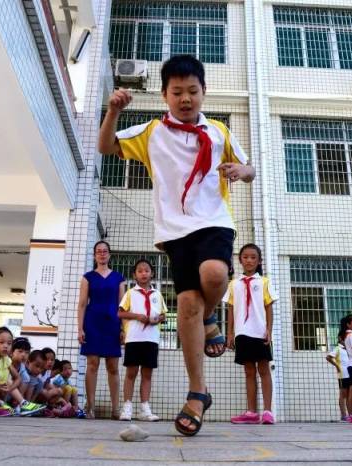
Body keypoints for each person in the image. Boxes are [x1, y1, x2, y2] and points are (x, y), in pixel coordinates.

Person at [98, 54, 255, 436]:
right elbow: (106, 147)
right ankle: (198, 393)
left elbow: (249, 169)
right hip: (174, 231)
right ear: (165, 95)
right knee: (186, 303)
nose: (186, 98)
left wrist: (240, 171)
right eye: (177, 92)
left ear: (204, 92)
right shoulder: (152, 132)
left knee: (215, 273)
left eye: (193, 91)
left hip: (214, 221)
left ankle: (211, 314)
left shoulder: (218, 131)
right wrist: (112, 112)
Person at [224, 244, 278, 425]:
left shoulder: (264, 282)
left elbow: (268, 306)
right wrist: (230, 333)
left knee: (263, 369)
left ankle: (268, 411)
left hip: (260, 331)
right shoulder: (233, 284)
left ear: (259, 261)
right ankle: (252, 412)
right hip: (242, 332)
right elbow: (230, 309)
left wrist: (269, 329)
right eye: (245, 257)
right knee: (248, 371)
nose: (249, 260)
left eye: (253, 257)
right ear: (240, 260)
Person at [76, 240, 126, 419]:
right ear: (95, 255)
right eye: (99, 251)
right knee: (92, 364)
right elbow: (82, 304)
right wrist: (80, 328)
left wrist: (123, 329)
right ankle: (90, 407)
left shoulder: (119, 278)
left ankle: (115, 409)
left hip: (113, 323)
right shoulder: (87, 277)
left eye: (105, 251)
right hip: (93, 323)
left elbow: (123, 306)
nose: (102, 254)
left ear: (109, 254)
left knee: (113, 366)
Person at [118, 259, 166, 422]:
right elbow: (120, 313)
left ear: (152, 273)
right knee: (131, 373)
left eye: (146, 270)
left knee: (147, 374)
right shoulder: (130, 293)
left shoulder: (157, 294)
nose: (143, 273)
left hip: (151, 339)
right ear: (135, 275)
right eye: (140, 271)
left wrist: (157, 319)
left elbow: (163, 315)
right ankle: (127, 407)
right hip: (134, 338)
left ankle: (145, 409)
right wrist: (137, 316)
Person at [326, 332, 350, 422]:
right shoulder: (338, 349)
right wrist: (337, 366)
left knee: (349, 395)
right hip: (343, 375)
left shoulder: (349, 349)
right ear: (340, 338)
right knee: (343, 395)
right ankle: (343, 415)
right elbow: (328, 357)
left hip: (350, 374)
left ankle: (350, 414)